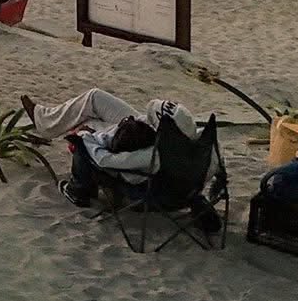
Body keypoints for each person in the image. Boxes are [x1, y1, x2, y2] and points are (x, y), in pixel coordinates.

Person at [21, 89, 208, 213]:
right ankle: (44, 120)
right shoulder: (196, 140)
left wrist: (86, 137)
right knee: (94, 98)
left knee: (86, 125)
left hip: (140, 145)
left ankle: (80, 187)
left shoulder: (150, 156)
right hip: (147, 132)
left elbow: (105, 160)